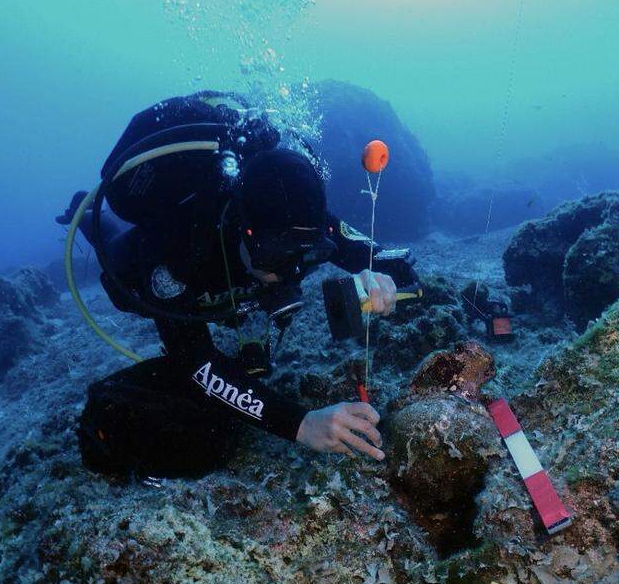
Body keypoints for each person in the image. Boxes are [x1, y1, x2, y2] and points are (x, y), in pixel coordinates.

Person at [61, 92, 410, 479]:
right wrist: (300, 423)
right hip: (153, 276)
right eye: (274, 257)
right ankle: (91, 212)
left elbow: (397, 262)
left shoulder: (306, 220)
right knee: (117, 258)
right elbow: (195, 361)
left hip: (234, 281)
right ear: (242, 230)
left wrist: (383, 278)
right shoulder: (176, 254)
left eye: (307, 256)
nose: (289, 274)